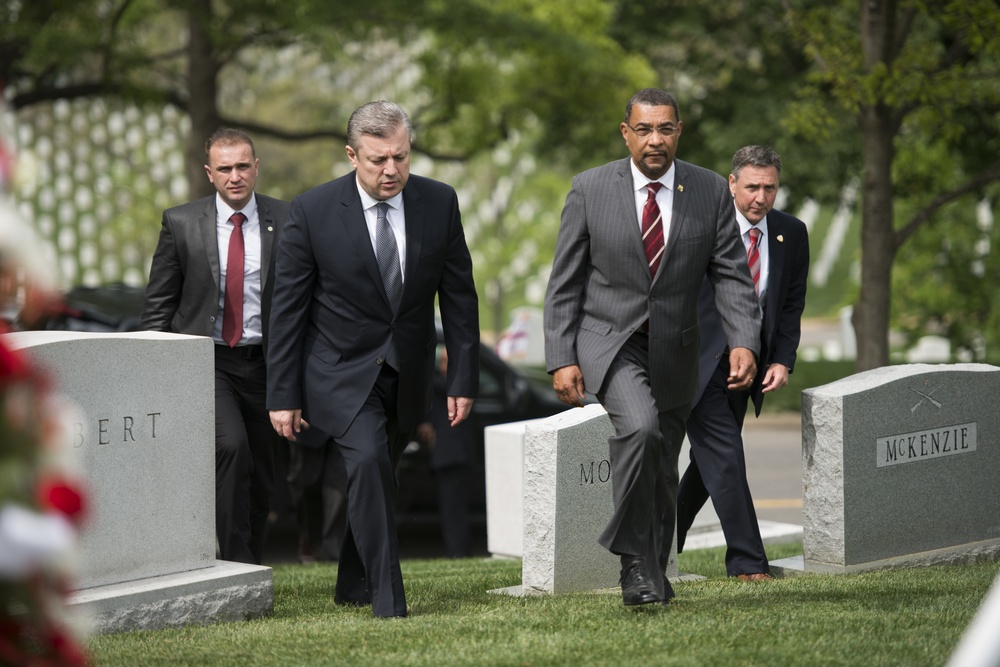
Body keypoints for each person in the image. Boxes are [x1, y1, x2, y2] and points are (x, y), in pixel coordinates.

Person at [543, 88, 760, 607]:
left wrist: (744, 340)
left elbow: (731, 276)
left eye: (665, 129)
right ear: (626, 133)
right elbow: (564, 283)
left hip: (679, 350)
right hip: (610, 343)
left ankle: (655, 578)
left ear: (678, 131)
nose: (655, 140)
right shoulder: (589, 189)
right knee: (640, 430)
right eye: (644, 129)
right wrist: (561, 356)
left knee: (663, 466)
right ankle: (633, 564)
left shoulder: (708, 190)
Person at [266, 100, 479, 618]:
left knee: (379, 475)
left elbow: (459, 297)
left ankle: (350, 582)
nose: (391, 171)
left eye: (401, 158)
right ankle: (388, 600)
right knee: (366, 461)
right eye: (378, 159)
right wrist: (283, 395)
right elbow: (287, 311)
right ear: (351, 155)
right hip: (337, 370)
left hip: (408, 373)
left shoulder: (439, 202)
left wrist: (463, 379)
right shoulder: (312, 211)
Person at [141, 128, 288, 565]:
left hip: (267, 363)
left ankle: (251, 561)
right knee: (232, 447)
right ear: (210, 173)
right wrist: (152, 373)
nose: (236, 176)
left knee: (264, 473)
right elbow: (158, 305)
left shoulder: (289, 218)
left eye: (243, 166)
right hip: (209, 363)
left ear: (256, 166)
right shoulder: (181, 222)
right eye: (225, 168)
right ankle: (236, 568)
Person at [676, 145, 810, 581]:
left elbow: (789, 307)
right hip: (695, 360)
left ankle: (661, 545)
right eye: (751, 186)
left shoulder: (793, 233)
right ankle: (747, 563)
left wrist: (782, 360)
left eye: (769, 187)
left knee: (710, 462)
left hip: (747, 367)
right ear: (731, 184)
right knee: (726, 455)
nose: (761, 197)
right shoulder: (701, 228)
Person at [415, 347, 475, 558]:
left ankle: (459, 553)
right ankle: (458, 552)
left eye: (448, 361)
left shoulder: (454, 386)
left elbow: (428, 383)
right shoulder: (444, 387)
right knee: (452, 511)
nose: (444, 366)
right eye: (442, 361)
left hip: (453, 457)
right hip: (448, 457)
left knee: (454, 511)